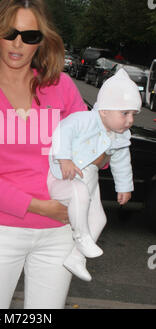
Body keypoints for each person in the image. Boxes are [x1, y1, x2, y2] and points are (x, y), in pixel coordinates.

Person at [0, 0, 88, 309]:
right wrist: (40, 207)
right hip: (0, 232)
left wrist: (107, 145)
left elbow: (92, 153)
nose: (17, 44)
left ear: (41, 41)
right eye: (9, 33)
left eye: (29, 36)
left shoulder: (62, 87)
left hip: (58, 234)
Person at [47, 68, 142, 282]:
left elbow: (121, 162)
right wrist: (64, 159)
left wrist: (124, 187)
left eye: (133, 115)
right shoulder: (84, 119)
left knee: (99, 218)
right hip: (63, 177)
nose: (129, 121)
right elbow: (63, 130)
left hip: (88, 180)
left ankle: (76, 257)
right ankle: (81, 237)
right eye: (124, 113)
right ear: (104, 111)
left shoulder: (120, 136)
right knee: (80, 192)